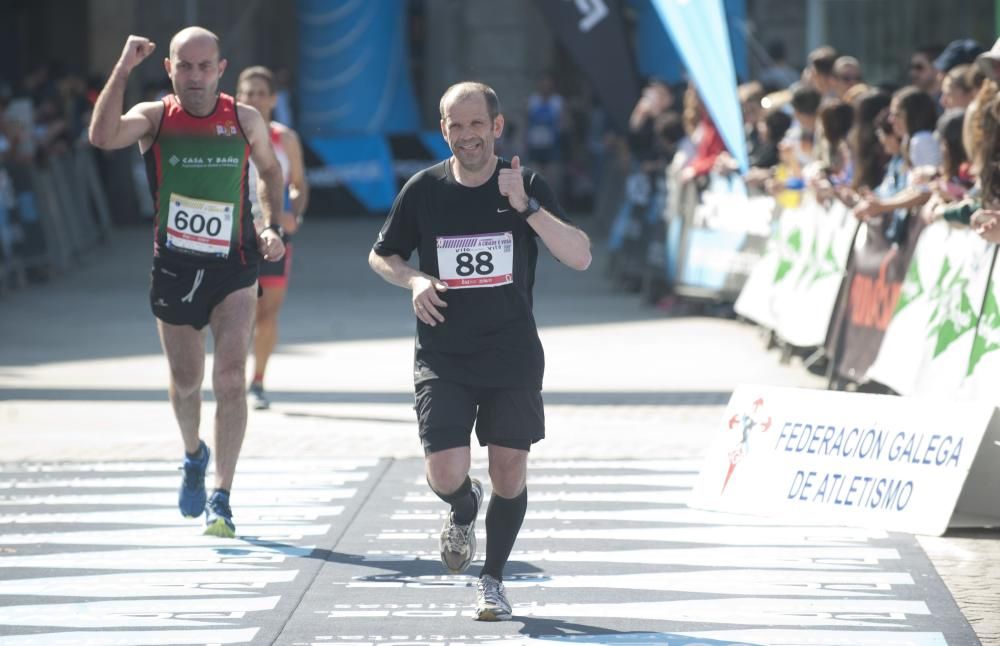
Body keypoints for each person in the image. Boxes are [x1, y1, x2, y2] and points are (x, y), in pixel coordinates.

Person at [368, 81, 591, 621]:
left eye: (475, 125)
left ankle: (492, 580)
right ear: (443, 129)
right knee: (445, 472)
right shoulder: (424, 188)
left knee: (510, 472)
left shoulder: (526, 185)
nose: (466, 136)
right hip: (444, 354)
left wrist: (527, 207)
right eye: (454, 125)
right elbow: (382, 254)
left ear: (496, 126)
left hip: (511, 352)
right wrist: (416, 280)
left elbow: (580, 256)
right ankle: (463, 507)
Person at [88, 28, 286, 538]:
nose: (195, 76)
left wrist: (271, 225)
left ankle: (222, 494)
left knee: (229, 378)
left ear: (221, 69)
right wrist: (123, 68)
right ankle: (194, 453)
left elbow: (269, 171)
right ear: (170, 70)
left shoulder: (243, 120)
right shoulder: (155, 118)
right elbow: (101, 136)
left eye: (205, 67)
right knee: (186, 382)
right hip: (174, 267)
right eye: (185, 66)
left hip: (234, 266)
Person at [236, 66, 309, 410]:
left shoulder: (285, 138)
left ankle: (257, 382)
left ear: (273, 99)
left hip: (274, 233)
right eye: (247, 93)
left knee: (267, 312)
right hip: (233, 232)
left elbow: (299, 183)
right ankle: (231, 375)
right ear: (238, 97)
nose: (253, 99)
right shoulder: (227, 134)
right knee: (236, 310)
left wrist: (293, 211)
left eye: (260, 94)